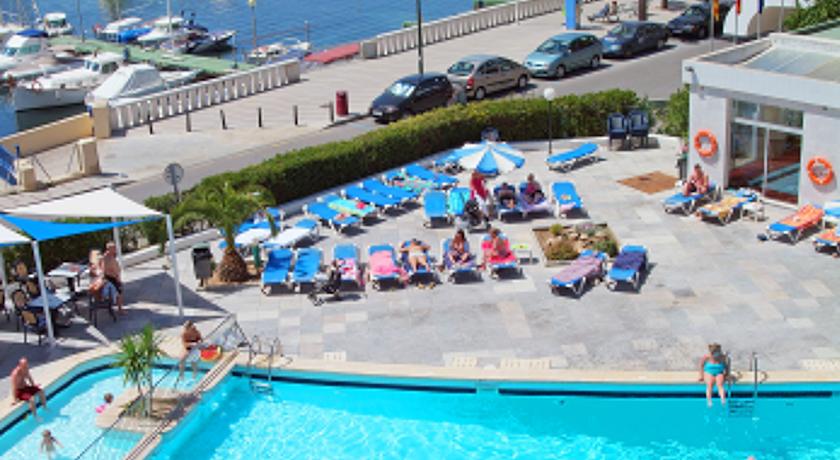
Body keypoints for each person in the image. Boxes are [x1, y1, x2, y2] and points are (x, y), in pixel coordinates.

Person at [699, 343, 728, 407]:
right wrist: (701, 375)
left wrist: (727, 374)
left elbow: (726, 366)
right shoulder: (707, 357)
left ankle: (723, 399)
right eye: (714, 353)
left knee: (720, 385)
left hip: (719, 372)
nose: (716, 354)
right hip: (709, 372)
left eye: (718, 352)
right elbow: (701, 365)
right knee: (709, 385)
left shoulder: (722, 357)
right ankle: (709, 400)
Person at [100, 242, 124, 314]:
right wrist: (115, 277)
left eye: (115, 248)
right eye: (113, 248)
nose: (115, 249)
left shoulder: (111, 256)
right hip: (111, 278)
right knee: (118, 293)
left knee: (119, 292)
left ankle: (119, 308)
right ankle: (120, 310)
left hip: (114, 277)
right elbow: (105, 270)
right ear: (109, 249)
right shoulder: (106, 257)